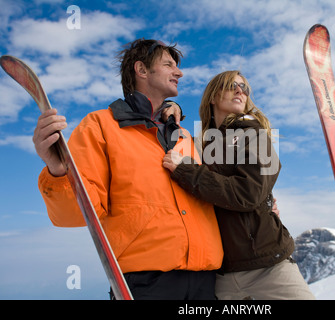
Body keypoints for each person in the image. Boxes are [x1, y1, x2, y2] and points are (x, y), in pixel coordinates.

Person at [34, 39, 224, 300]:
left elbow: (210, 194)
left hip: (207, 279)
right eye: (169, 65)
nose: (179, 73)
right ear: (142, 70)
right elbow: (78, 214)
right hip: (147, 282)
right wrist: (58, 172)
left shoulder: (184, 137)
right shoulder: (100, 125)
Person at [163, 70, 315, 300]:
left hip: (268, 266)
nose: (239, 90)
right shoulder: (200, 145)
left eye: (244, 87)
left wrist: (186, 171)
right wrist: (170, 107)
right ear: (213, 97)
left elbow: (248, 193)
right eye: (231, 85)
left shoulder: (257, 135)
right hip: (219, 274)